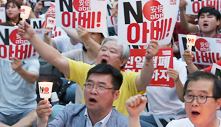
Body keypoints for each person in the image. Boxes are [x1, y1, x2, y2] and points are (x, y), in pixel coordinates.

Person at [16, 20, 157, 116]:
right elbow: (56, 58)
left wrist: (149, 59)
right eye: (103, 49)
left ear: (122, 61)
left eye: (112, 51)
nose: (106, 53)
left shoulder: (128, 78)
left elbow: (144, 80)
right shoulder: (87, 71)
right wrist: (32, 37)